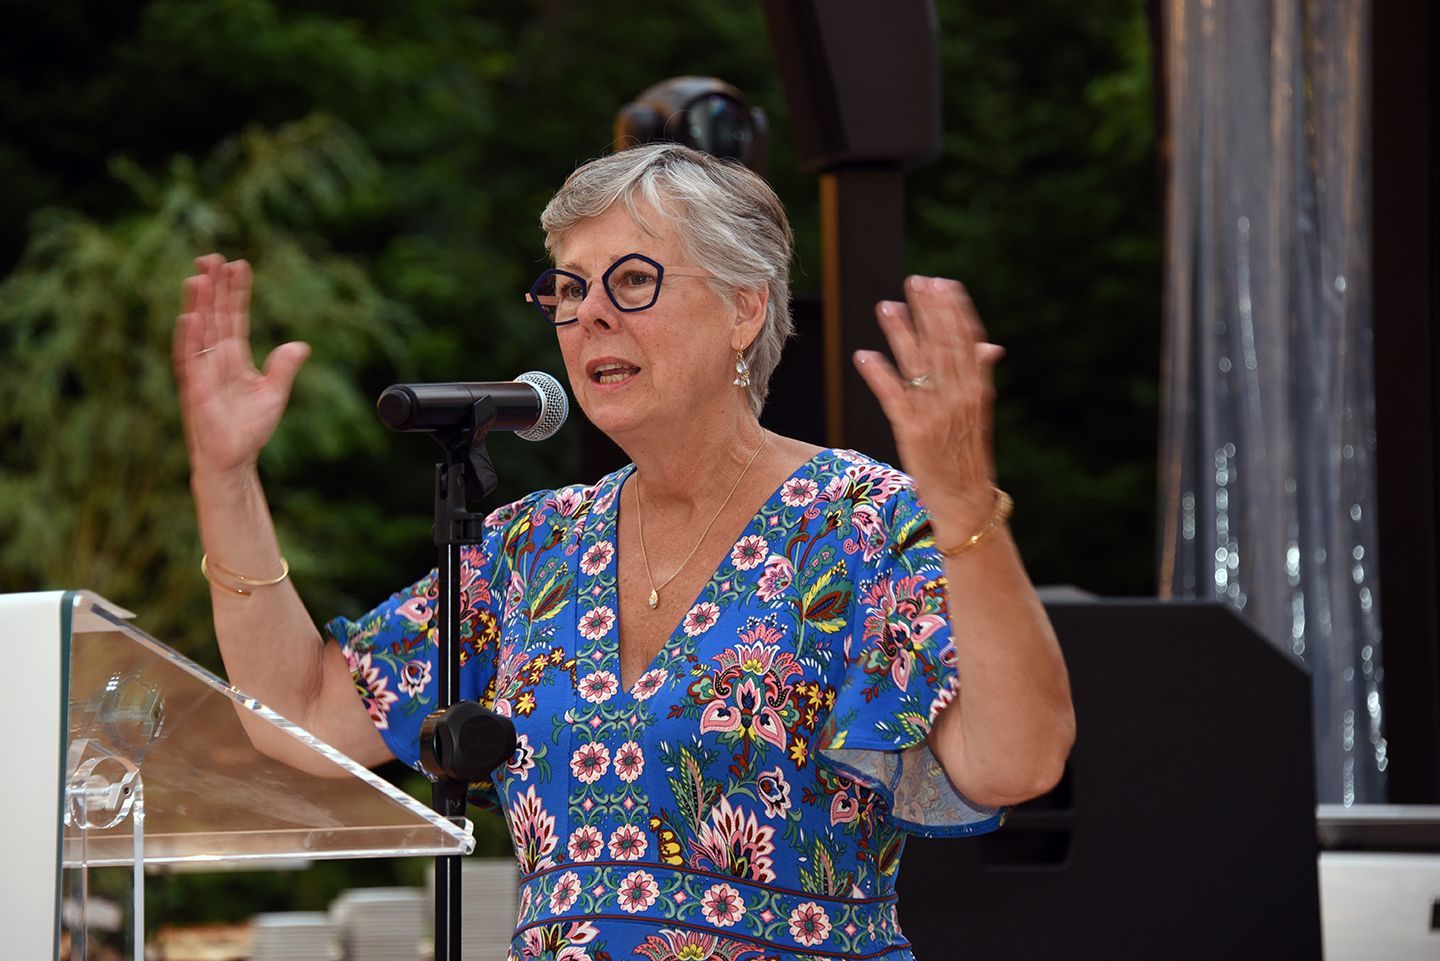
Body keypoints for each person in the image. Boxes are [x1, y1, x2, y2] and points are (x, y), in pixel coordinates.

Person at [174, 142, 1075, 961]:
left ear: (742, 306)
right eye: (568, 289)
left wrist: (965, 512)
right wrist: (224, 476)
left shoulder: (859, 521)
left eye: (631, 281)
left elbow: (1017, 760)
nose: (589, 316)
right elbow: (298, 711)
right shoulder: (536, 545)